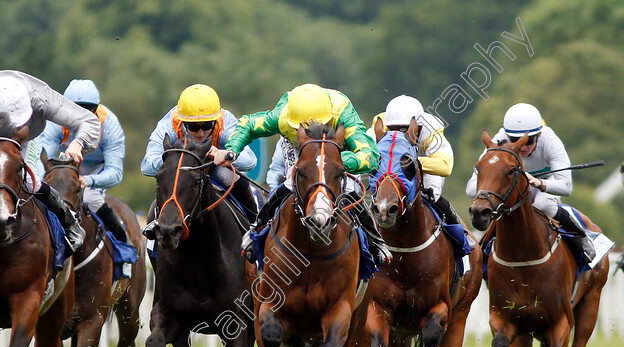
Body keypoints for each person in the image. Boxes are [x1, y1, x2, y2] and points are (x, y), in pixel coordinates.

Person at [214, 83, 388, 265]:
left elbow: (370, 156)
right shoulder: (283, 115)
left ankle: (376, 242)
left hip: (335, 151)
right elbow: (248, 125)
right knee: (290, 185)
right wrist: (232, 150)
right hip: (300, 148)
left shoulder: (342, 112)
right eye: (303, 126)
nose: (310, 128)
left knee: (348, 190)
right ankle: (256, 230)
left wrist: (332, 163)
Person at [0, 70, 102, 251]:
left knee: (29, 181)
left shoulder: (41, 97)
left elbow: (89, 121)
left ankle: (70, 224)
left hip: (23, 139)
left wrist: (78, 143)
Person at [465, 102, 595, 262]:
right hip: (512, 187)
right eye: (515, 140)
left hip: (544, 185)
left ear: (539, 135)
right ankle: (485, 253)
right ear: (507, 136)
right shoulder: (497, 142)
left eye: (529, 141)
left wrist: (539, 183)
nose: (523, 147)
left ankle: (581, 238)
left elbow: (567, 186)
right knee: (500, 207)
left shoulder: (551, 141)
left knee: (543, 205)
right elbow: (471, 188)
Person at [140, 84, 259, 237]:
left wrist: (222, 154)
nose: (201, 132)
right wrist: (176, 161)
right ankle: (155, 236)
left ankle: (255, 225)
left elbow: (250, 161)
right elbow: (146, 166)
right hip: (183, 173)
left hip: (216, 169)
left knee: (229, 177)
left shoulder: (226, 122)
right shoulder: (168, 125)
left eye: (207, 125)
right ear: (183, 122)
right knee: (169, 182)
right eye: (194, 127)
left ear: (216, 121)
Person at [29, 79, 128, 242]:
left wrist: (87, 180)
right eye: (76, 110)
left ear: (97, 109)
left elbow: (115, 172)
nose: (82, 117)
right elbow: (42, 159)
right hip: (66, 162)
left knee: (90, 198)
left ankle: (124, 243)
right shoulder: (54, 123)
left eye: (89, 111)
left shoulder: (110, 126)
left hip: (97, 167)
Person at [370, 95, 462, 225]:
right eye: (394, 129)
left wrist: (410, 163)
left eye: (405, 129)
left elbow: (445, 166)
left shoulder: (431, 129)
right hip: (389, 172)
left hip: (423, 170)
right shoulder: (378, 127)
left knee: (431, 197)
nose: (400, 134)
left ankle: (463, 236)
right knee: (375, 199)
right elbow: (364, 157)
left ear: (418, 127)